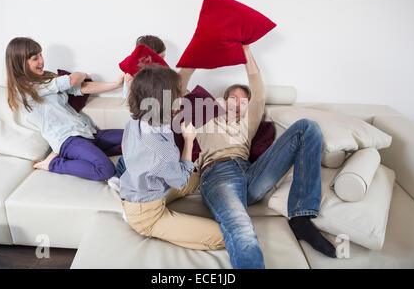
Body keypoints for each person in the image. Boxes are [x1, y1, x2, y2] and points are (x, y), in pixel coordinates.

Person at [179, 44, 336, 269]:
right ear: (223, 101)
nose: (237, 103)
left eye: (243, 102)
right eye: (233, 98)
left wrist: (246, 52)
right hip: (218, 174)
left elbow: (258, 90)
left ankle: (301, 217)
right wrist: (198, 51)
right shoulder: (205, 117)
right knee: (241, 226)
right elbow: (178, 86)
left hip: (251, 174)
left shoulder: (247, 122)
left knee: (307, 127)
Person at [116, 65, 224, 250]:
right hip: (146, 213)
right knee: (221, 237)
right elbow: (181, 180)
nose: (182, 98)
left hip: (147, 188)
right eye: (178, 94)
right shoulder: (161, 152)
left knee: (200, 179)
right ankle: (150, 229)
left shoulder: (138, 118)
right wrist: (189, 140)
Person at [6, 37, 124, 181]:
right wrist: (84, 74)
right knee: (105, 170)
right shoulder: (24, 90)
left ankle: (95, 154)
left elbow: (80, 88)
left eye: (41, 55)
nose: (41, 61)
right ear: (20, 63)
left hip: (88, 132)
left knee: (136, 137)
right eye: (35, 58)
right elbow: (73, 79)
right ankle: (53, 164)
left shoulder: (46, 79)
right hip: (68, 141)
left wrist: (116, 84)